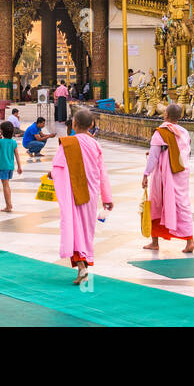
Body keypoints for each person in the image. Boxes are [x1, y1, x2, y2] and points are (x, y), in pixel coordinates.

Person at [51, 107, 113, 284]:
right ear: (92, 125)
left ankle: (82, 267)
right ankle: (83, 264)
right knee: (86, 230)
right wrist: (107, 198)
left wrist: (51, 175)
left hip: (73, 193)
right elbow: (103, 172)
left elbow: (58, 169)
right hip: (90, 194)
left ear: (74, 124)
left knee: (74, 228)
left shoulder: (68, 143)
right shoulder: (95, 144)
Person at [142, 102, 194, 254]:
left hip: (165, 174)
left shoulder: (161, 132)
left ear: (165, 115)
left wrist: (146, 174)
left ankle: (155, 241)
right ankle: (189, 241)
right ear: (180, 117)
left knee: (157, 203)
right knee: (182, 205)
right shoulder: (184, 132)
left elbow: (153, 156)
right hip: (182, 173)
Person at [0, 121, 22, 212]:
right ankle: (9, 204)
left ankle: (8, 205)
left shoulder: (0, 142)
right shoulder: (13, 142)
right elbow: (17, 155)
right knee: (7, 185)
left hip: (3, 166)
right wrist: (19, 166)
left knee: (5, 185)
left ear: (2, 132)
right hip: (10, 166)